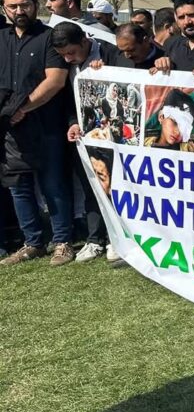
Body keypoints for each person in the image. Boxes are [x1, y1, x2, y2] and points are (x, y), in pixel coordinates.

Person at [0, 0, 76, 266]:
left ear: (35, 5)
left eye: (25, 5)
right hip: (11, 130)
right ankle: (32, 242)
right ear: (5, 9)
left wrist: (24, 108)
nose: (19, 11)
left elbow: (55, 81)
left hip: (47, 125)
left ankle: (62, 242)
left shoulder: (49, 38)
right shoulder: (1, 38)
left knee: (53, 185)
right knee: (18, 187)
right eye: (12, 6)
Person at [51, 22, 120, 262]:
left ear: (84, 41)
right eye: (63, 55)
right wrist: (72, 122)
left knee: (114, 185)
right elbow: (69, 100)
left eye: (71, 52)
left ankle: (116, 239)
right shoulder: (68, 64)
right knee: (91, 186)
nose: (68, 59)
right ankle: (95, 240)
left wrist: (107, 72)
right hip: (85, 137)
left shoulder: (109, 52)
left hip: (114, 137)